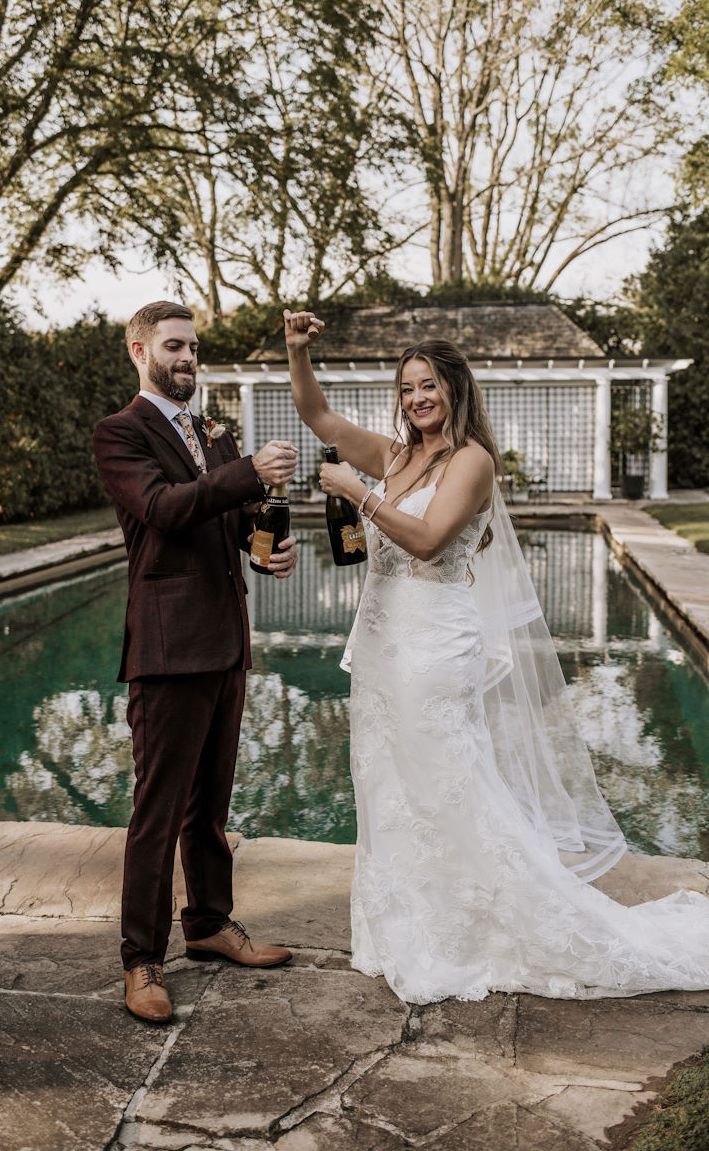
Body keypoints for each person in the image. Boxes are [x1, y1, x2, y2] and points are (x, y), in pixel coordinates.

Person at [284, 306, 709, 1004]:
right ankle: (411, 931)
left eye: (428, 385)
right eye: (407, 388)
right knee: (390, 786)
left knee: (450, 786)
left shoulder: (472, 461)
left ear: (454, 389)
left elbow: (425, 540)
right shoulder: (398, 454)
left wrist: (359, 496)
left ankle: (484, 928)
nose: (417, 398)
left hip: (435, 644)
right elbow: (321, 419)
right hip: (384, 644)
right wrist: (298, 353)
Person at [94, 300, 298, 1023]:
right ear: (139, 349)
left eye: (193, 348)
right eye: (173, 346)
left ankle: (209, 924)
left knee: (210, 806)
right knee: (158, 812)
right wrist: (244, 472)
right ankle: (140, 960)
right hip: (168, 647)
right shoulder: (121, 433)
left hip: (225, 641)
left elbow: (228, 517)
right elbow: (166, 507)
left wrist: (264, 544)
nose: (186, 358)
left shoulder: (211, 429)